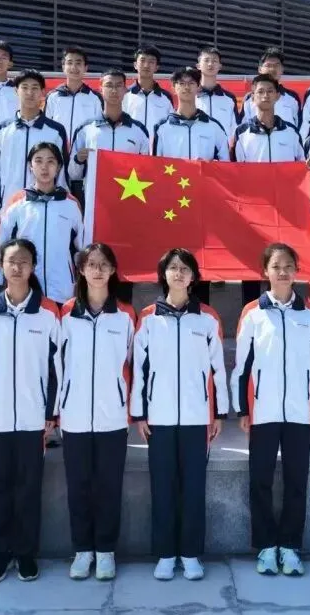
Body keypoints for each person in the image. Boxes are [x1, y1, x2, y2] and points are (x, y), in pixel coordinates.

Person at [232, 243, 310, 577]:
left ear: (297, 271)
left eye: (289, 266)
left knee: (296, 481)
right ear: (265, 271)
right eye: (276, 266)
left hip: (299, 413)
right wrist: (243, 409)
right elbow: (242, 365)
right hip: (263, 411)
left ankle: (290, 546)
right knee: (260, 479)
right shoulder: (253, 313)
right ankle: (265, 546)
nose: (283, 272)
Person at [0, 238, 61, 584]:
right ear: (1, 266)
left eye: (24, 261)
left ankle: (25, 553)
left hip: (34, 418)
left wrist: (52, 411)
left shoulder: (48, 313)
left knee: (28, 487)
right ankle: (2, 552)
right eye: (11, 261)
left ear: (33, 266)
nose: (17, 267)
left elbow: (57, 367)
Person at [131, 248, 228, 582]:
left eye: (184, 269)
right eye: (172, 268)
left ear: (193, 277)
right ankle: (165, 553)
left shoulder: (208, 318)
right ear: (163, 274)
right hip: (158, 418)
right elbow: (139, 370)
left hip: (196, 418)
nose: (178, 273)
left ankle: (189, 554)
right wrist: (140, 413)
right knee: (163, 486)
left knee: (193, 487)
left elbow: (218, 369)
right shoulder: (148, 317)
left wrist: (219, 413)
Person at [59, 244, 137, 582]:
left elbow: (134, 364)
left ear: (113, 270)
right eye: (91, 264)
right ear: (81, 270)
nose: (98, 270)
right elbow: (56, 364)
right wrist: (58, 406)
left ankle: (105, 551)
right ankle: (82, 550)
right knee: (78, 486)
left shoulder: (125, 315)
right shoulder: (64, 314)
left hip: (112, 417)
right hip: (74, 415)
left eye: (104, 264)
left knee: (108, 486)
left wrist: (130, 406)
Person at [232, 73, 305, 304]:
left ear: (278, 96)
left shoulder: (291, 132)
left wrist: (307, 169)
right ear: (252, 97)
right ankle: (251, 308)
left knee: (283, 256)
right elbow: (235, 171)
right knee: (252, 260)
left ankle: (285, 303)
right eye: (260, 92)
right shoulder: (242, 133)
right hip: (253, 208)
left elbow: (301, 166)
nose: (265, 96)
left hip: (284, 208)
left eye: (270, 91)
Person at [0, 143, 83, 306]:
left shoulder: (71, 204)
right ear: (30, 166)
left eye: (51, 161)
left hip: (62, 288)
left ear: (58, 167)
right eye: (38, 161)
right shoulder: (17, 202)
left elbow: (82, 246)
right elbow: (3, 245)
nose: (44, 167)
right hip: (24, 287)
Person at [0, 69, 69, 213]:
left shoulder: (56, 131)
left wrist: (61, 206)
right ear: (16, 91)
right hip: (9, 208)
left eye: (35, 88)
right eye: (24, 87)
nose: (30, 93)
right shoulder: (1, 130)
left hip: (46, 209)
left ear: (42, 92)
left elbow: (62, 174)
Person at [68, 69, 151, 193]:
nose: (114, 90)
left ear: (125, 90)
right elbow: (73, 175)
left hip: (129, 196)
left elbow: (147, 171)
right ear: (101, 88)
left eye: (118, 86)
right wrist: (78, 159)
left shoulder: (139, 130)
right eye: (109, 85)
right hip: (95, 198)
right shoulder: (85, 129)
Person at [151, 66, 230, 161]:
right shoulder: (162, 128)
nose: (187, 87)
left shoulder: (214, 127)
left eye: (191, 83)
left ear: (198, 87)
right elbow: (156, 165)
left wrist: (208, 165)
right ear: (174, 88)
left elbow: (226, 163)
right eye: (182, 83)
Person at [45, 47, 104, 144]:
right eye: (69, 63)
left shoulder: (95, 98)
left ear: (85, 67)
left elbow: (100, 128)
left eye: (78, 63)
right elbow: (46, 126)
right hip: (57, 150)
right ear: (63, 67)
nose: (74, 67)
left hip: (84, 150)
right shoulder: (53, 96)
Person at [241, 47, 302, 128]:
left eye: (276, 65)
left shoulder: (292, 98)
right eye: (268, 65)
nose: (272, 69)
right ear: (260, 69)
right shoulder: (249, 98)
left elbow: (300, 127)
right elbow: (243, 128)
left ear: (282, 69)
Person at [123, 45, 174, 130]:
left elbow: (171, 126)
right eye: (142, 60)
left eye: (151, 62)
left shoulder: (166, 96)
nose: (146, 65)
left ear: (157, 67)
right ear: (135, 65)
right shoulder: (124, 94)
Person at [195, 45, 240, 135]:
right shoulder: (191, 95)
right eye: (206, 60)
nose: (210, 64)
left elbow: (235, 129)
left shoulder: (229, 98)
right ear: (198, 65)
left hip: (223, 144)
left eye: (214, 61)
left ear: (220, 66)